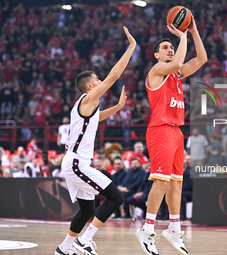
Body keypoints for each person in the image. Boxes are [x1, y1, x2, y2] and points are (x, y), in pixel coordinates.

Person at [55, 26, 136, 255]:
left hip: (75, 162)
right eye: (97, 80)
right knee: (115, 197)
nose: (101, 81)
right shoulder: (89, 98)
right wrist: (131, 47)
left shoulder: (83, 105)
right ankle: (85, 240)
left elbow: (96, 120)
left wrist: (118, 107)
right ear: (90, 86)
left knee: (86, 210)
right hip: (76, 163)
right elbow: (114, 76)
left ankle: (65, 248)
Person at [135, 15, 207, 255]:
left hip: (176, 132)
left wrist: (194, 32)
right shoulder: (157, 70)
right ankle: (147, 229)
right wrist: (182, 35)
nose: (170, 50)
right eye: (165, 48)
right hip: (160, 130)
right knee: (162, 181)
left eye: (172, 48)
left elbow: (202, 59)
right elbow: (176, 64)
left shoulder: (176, 75)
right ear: (156, 55)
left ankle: (174, 228)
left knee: (177, 182)